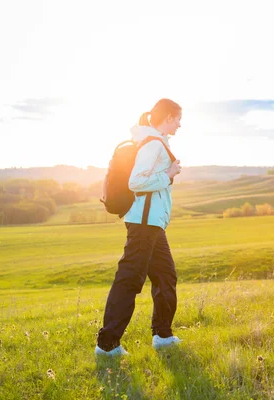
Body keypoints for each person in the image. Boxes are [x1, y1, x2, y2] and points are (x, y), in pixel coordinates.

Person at [96, 98, 183, 356]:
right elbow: (136, 182)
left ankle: (163, 336)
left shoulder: (154, 141)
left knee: (166, 276)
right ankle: (107, 345)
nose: (180, 124)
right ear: (167, 117)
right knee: (130, 280)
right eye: (178, 119)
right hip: (143, 223)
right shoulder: (153, 144)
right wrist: (168, 175)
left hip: (153, 223)